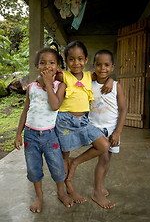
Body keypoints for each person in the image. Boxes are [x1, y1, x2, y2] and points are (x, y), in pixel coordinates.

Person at [14, 47, 73, 213]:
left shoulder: (59, 86)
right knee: (34, 168)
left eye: (52, 63)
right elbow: (25, 111)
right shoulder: (31, 87)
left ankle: (61, 192)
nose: (47, 66)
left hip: (50, 136)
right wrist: (19, 133)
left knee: (57, 167)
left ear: (58, 66)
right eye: (43, 62)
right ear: (36, 66)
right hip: (30, 136)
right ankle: (39, 197)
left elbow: (55, 106)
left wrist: (48, 83)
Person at [54, 41, 113, 206]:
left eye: (80, 59)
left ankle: (76, 162)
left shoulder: (89, 76)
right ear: (66, 60)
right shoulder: (63, 75)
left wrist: (110, 80)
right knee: (64, 155)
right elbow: (48, 75)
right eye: (71, 59)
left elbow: (104, 74)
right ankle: (69, 185)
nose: (76, 63)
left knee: (103, 145)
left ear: (86, 60)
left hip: (83, 122)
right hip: (64, 121)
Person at [88, 49, 127, 208]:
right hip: (95, 128)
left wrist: (118, 132)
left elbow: (123, 109)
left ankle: (100, 185)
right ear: (93, 66)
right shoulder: (89, 83)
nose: (102, 68)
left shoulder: (116, 86)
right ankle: (97, 192)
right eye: (98, 64)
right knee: (103, 159)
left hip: (112, 130)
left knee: (107, 160)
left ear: (112, 67)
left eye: (106, 65)